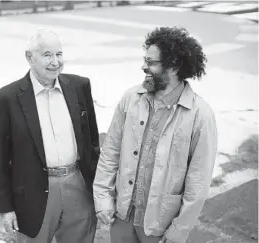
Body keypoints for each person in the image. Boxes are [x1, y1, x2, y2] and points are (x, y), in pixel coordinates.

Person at [93, 26, 218, 243]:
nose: (144, 66)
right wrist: (102, 197)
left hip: (161, 228)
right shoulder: (131, 98)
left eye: (151, 63)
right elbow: (110, 151)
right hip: (122, 218)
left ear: (175, 66)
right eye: (145, 60)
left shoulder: (201, 116)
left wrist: (178, 231)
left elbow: (198, 183)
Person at [0, 29, 100, 243]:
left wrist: (99, 187)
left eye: (59, 54)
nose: (55, 62)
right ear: (29, 57)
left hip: (77, 184)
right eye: (47, 55)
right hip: (32, 192)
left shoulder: (79, 86)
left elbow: (92, 142)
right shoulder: (7, 98)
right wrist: (5, 208)